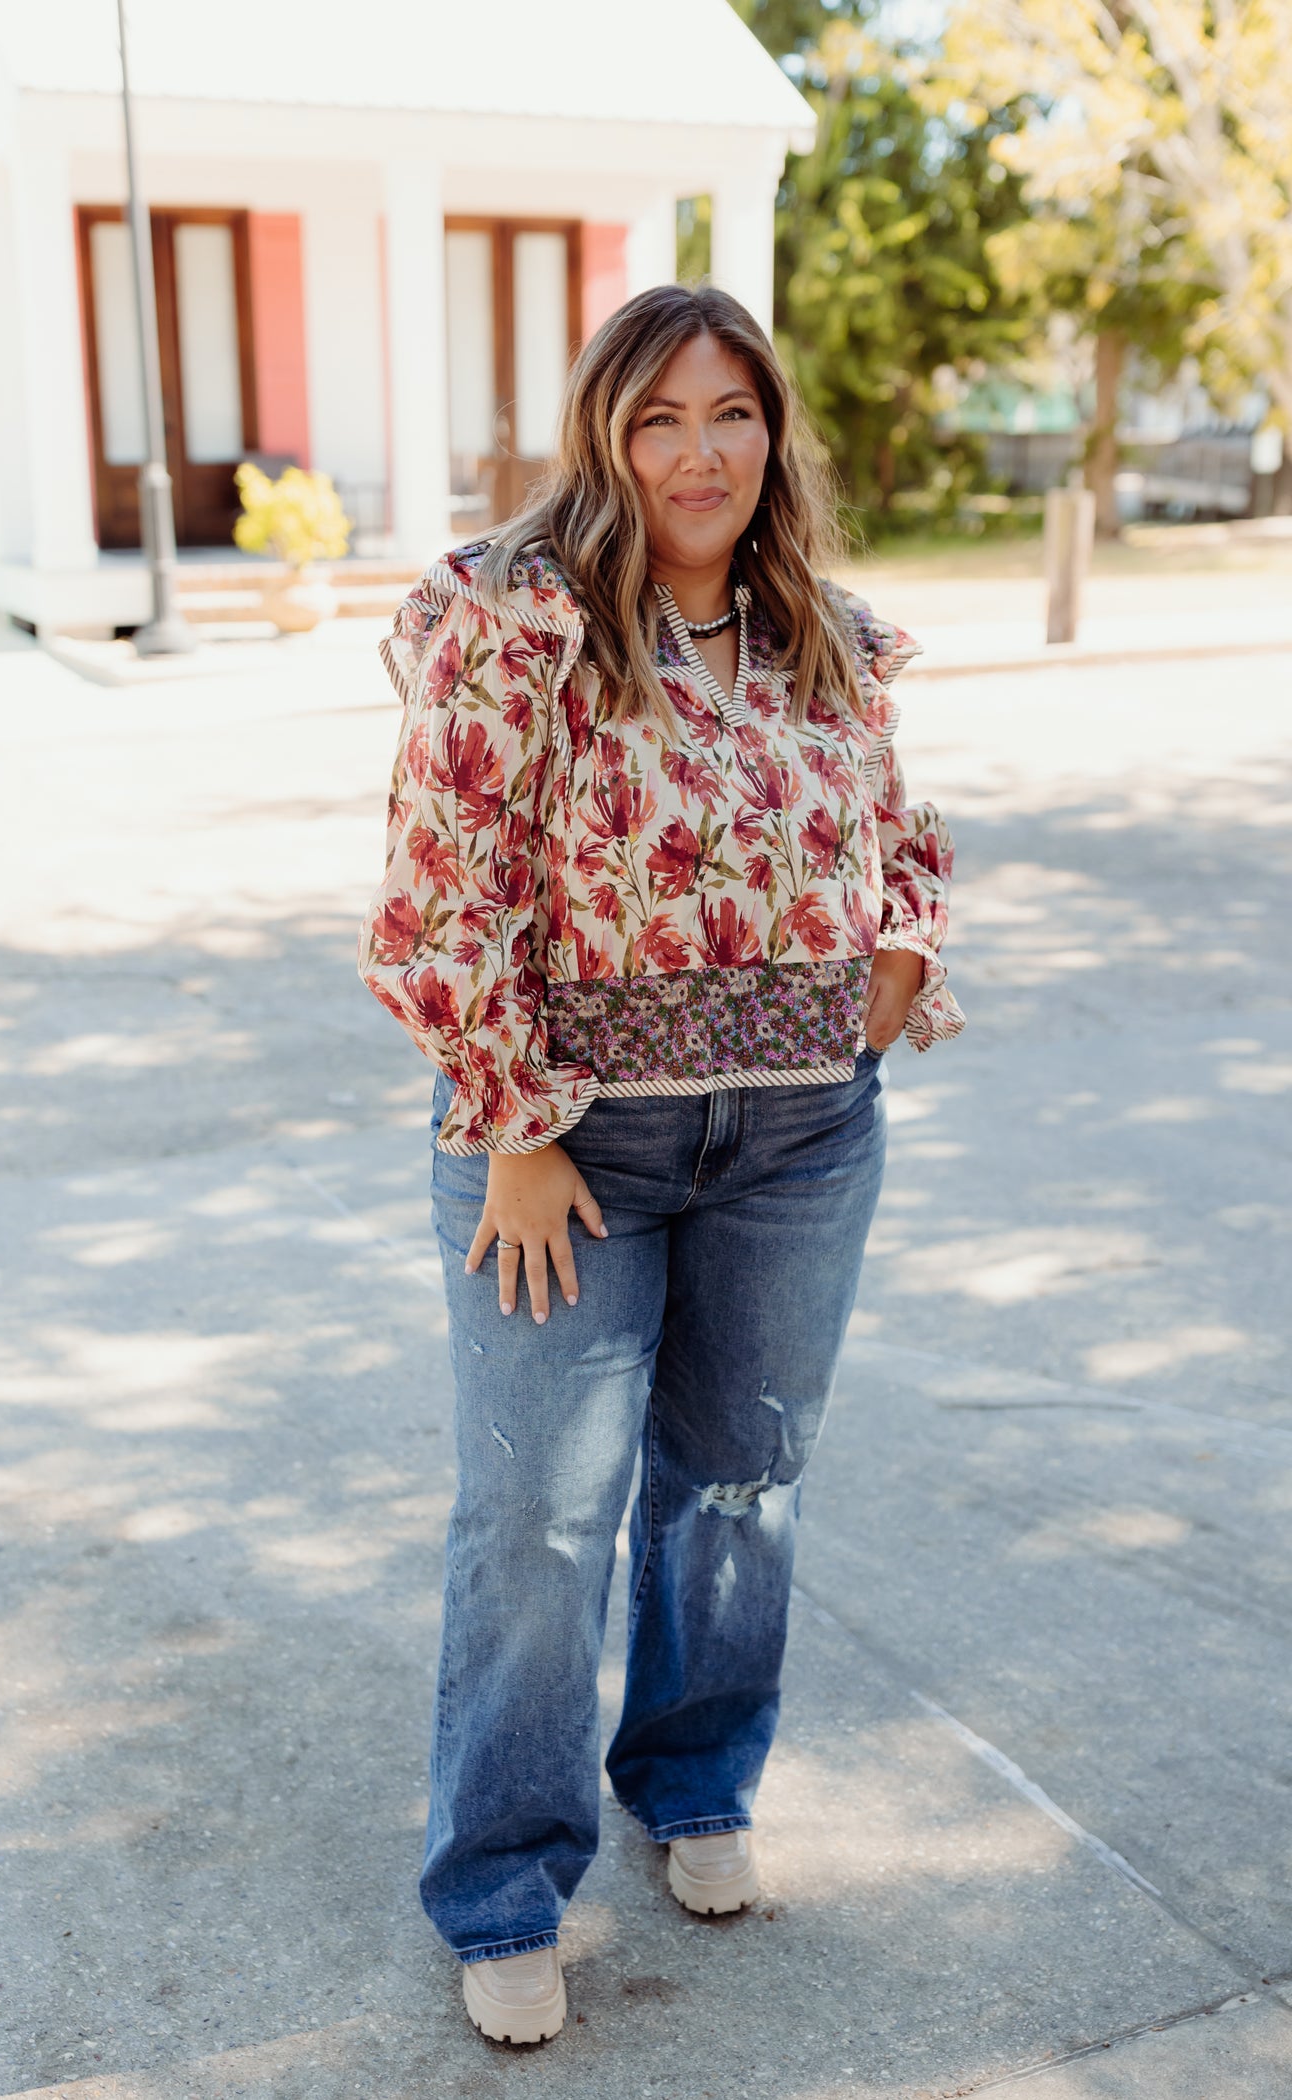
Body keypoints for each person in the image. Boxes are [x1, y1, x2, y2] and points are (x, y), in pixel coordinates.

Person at [359, 283, 963, 2044]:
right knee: (539, 1521)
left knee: (744, 1477)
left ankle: (694, 1782)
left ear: (775, 433)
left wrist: (901, 959)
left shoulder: (824, 628)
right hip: (573, 1145)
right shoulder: (515, 616)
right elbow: (437, 890)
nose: (700, 455)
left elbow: (900, 828)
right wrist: (522, 1130)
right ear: (604, 436)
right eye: (659, 419)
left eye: (733, 416)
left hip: (801, 1134)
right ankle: (502, 1882)